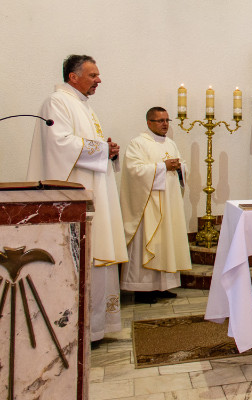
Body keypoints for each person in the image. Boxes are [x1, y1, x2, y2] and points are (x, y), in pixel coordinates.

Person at [26, 54, 128, 341]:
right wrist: (99, 150)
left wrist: (108, 151)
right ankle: (79, 330)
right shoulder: (57, 102)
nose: (99, 80)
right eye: (93, 75)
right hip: (74, 198)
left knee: (96, 257)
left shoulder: (82, 106)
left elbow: (84, 145)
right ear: (73, 77)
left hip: (93, 194)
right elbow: (60, 143)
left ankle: (95, 328)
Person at [119, 107, 192, 304]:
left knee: (166, 243)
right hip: (148, 205)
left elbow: (182, 167)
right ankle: (143, 289)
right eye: (160, 120)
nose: (165, 124)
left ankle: (163, 285)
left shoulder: (171, 143)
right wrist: (163, 167)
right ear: (149, 122)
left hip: (169, 204)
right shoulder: (138, 143)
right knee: (147, 242)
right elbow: (134, 171)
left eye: (167, 120)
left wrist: (179, 168)